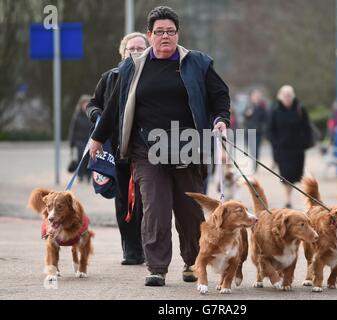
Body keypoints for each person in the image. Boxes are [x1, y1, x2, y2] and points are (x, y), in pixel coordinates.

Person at [89, 6, 230, 287]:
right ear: (149, 35)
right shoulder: (133, 66)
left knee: (190, 209)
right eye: (159, 32)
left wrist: (221, 119)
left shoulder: (198, 63)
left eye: (171, 31)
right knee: (155, 207)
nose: (165, 36)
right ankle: (157, 267)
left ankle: (192, 261)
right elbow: (114, 105)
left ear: (178, 34)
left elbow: (219, 95)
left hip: (187, 146)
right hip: (146, 149)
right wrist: (97, 136)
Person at [86, 32, 149, 265]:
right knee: (124, 201)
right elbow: (93, 103)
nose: (134, 52)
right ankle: (131, 251)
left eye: (139, 48)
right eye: (130, 48)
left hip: (147, 151)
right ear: (122, 53)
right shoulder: (110, 77)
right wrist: (96, 115)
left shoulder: (152, 76)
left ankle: (146, 247)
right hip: (119, 150)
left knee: (147, 200)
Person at [267, 85, 311, 208]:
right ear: (280, 97)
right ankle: (288, 199)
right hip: (282, 149)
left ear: (293, 96)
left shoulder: (300, 109)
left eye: (289, 95)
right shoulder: (275, 110)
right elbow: (270, 130)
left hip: (297, 149)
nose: (287, 98)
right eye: (285, 95)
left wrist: (305, 143)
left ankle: (297, 198)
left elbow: (307, 128)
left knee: (297, 175)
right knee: (285, 176)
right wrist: (275, 144)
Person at [68, 94, 92, 182]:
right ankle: (80, 175)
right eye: (84, 104)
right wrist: (72, 143)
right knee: (81, 158)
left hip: (89, 141)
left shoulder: (92, 115)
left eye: (87, 103)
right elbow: (73, 130)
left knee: (90, 158)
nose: (85, 106)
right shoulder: (77, 116)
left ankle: (89, 176)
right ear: (81, 105)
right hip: (80, 142)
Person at [243, 89, 267, 172]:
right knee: (250, 148)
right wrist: (247, 114)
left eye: (257, 96)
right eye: (254, 96)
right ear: (252, 97)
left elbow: (265, 118)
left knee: (256, 148)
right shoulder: (249, 106)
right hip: (249, 131)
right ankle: (253, 162)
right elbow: (244, 117)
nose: (256, 98)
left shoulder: (262, 107)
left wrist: (263, 127)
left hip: (258, 131)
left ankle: (255, 164)